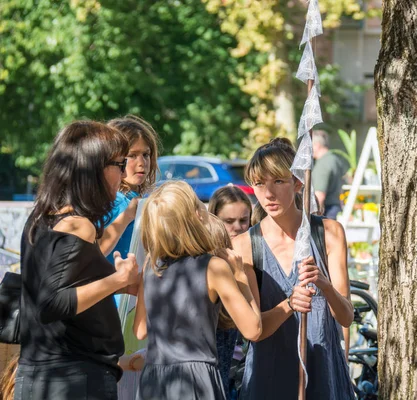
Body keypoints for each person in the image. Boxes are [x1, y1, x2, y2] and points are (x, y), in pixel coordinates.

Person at [15, 120, 139, 400]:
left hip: (41, 375)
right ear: (94, 169)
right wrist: (118, 279)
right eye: (120, 165)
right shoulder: (75, 224)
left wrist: (117, 286)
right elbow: (52, 302)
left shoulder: (41, 219)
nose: (124, 175)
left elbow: (64, 286)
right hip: (74, 379)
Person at [232, 138, 355, 400]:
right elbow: (255, 329)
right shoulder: (245, 245)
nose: (268, 193)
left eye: (278, 181)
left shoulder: (329, 234)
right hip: (269, 377)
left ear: (298, 183)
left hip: (323, 375)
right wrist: (289, 304)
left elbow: (346, 317)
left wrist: (325, 286)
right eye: (259, 184)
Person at [133, 181, 261, 400]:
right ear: (197, 217)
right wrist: (240, 277)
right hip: (196, 380)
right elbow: (253, 330)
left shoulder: (151, 265)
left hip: (155, 379)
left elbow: (140, 330)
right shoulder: (213, 267)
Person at [208, 186, 253, 396]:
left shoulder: (254, 252)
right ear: (213, 219)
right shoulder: (207, 260)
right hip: (211, 357)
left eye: (244, 220)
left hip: (242, 361)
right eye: (229, 221)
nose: (238, 227)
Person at [99, 115, 160, 262]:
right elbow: (95, 250)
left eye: (146, 154)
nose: (141, 162)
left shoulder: (132, 198)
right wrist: (126, 216)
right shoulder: (115, 200)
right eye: (132, 155)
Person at [312, 129, 347, 219]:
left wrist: (313, 217)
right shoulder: (335, 159)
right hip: (336, 207)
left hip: (327, 211)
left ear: (317, 145)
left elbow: (319, 194)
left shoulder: (323, 164)